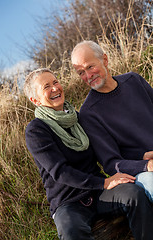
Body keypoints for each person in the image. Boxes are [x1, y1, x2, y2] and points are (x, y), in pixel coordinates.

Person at [24, 68, 153, 240]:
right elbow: (60, 172)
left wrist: (141, 157)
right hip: (68, 201)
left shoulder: (78, 119)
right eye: (46, 86)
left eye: (55, 82)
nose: (55, 88)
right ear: (35, 100)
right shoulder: (36, 130)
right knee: (71, 231)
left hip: (98, 193)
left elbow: (106, 150)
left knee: (134, 195)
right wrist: (104, 182)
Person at [71, 40, 153, 203]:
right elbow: (111, 163)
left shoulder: (134, 80)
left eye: (90, 67)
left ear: (105, 60)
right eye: (81, 72)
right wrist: (146, 165)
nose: (88, 76)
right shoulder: (89, 113)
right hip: (143, 171)